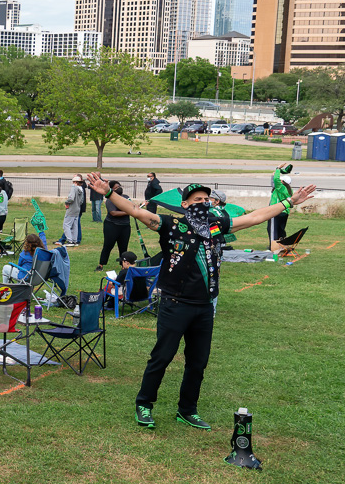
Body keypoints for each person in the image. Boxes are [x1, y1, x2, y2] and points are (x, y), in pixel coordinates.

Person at [86, 174, 317, 432]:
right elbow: (134, 211)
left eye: (207, 199)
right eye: (197, 199)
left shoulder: (218, 224)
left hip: (205, 305)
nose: (204, 202)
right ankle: (144, 404)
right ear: (185, 204)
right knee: (161, 357)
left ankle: (187, 410)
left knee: (198, 362)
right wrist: (108, 194)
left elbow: (254, 217)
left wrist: (289, 202)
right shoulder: (171, 224)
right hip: (175, 303)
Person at [96, 181, 132, 272]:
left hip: (125, 226)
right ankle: (101, 264)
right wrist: (128, 212)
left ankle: (123, 266)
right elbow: (113, 213)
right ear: (112, 189)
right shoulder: (110, 199)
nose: (119, 188)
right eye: (116, 187)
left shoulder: (126, 197)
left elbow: (132, 207)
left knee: (123, 247)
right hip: (112, 226)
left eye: (119, 186)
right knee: (108, 245)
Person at [269, 164, 294, 248]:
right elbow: (274, 180)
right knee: (280, 230)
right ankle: (282, 244)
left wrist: (278, 168)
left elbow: (276, 179)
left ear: (283, 182)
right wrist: (275, 173)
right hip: (284, 212)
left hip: (276, 211)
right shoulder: (288, 189)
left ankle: (273, 246)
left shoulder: (281, 187)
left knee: (273, 230)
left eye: (281, 180)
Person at [61, 174, 84, 246]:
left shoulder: (74, 187)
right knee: (75, 225)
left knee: (66, 225)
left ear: (75, 182)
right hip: (77, 208)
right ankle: (74, 241)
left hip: (71, 208)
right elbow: (81, 201)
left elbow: (71, 198)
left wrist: (66, 202)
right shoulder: (81, 189)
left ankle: (70, 241)